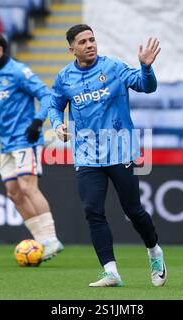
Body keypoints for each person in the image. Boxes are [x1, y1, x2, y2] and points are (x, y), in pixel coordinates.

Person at [49, 24, 166, 287]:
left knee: (133, 210)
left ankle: (154, 251)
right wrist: (57, 126)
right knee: (93, 211)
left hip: (120, 149)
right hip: (87, 155)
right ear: (72, 49)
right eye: (83, 42)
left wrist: (146, 68)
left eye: (92, 39)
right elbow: (54, 105)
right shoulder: (65, 77)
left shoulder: (113, 67)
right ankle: (111, 271)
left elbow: (147, 87)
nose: (90, 44)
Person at [0, 31, 63, 261]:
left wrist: (38, 121)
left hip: (26, 139)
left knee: (28, 187)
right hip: (6, 143)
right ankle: (42, 241)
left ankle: (51, 238)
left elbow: (46, 96)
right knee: (14, 193)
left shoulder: (19, 72)